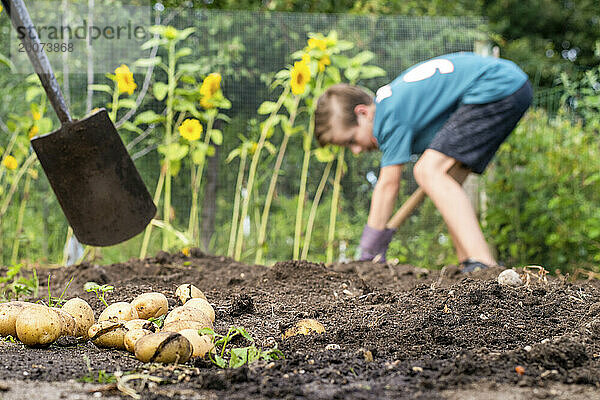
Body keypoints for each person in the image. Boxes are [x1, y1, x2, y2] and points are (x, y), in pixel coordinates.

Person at [314, 52, 532, 272]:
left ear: (363, 113)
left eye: (352, 140)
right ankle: (467, 263)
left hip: (495, 87)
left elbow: (388, 185)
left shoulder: (387, 115)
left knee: (428, 170)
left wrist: (369, 249)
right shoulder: (394, 101)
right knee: (447, 179)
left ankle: (483, 264)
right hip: (508, 85)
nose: (357, 150)